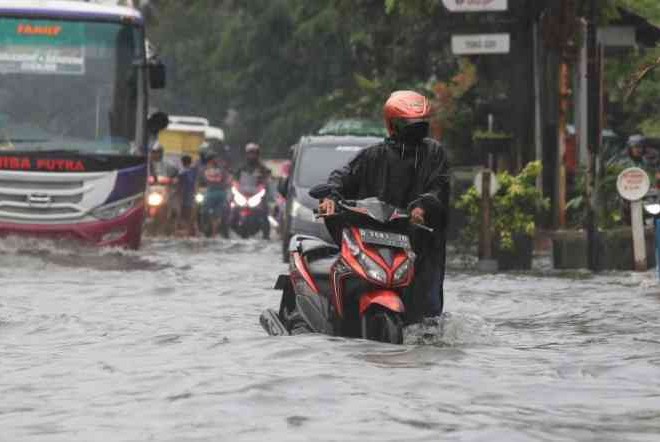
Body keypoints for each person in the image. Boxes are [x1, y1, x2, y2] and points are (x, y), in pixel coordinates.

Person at [319, 90, 450, 320]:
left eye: (421, 123)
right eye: (408, 123)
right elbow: (342, 177)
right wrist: (330, 197)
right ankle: (342, 318)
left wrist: (422, 208)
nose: (415, 129)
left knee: (426, 314)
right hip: (374, 240)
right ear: (393, 124)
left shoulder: (434, 153)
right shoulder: (372, 156)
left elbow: (439, 187)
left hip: (419, 244)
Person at [235, 142, 272, 239]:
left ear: (257, 154)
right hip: (243, 194)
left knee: (264, 213)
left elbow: (267, 177)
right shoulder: (242, 167)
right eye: (250, 153)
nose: (252, 155)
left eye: (254, 153)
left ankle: (266, 235)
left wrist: (264, 183)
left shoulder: (262, 168)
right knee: (231, 207)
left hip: (257, 195)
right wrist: (235, 186)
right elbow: (235, 179)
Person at [199, 155, 231, 237]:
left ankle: (214, 232)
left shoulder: (207, 170)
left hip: (217, 194)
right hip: (214, 193)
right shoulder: (205, 170)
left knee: (215, 214)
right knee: (210, 213)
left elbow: (228, 181)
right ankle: (212, 231)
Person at [175, 155, 198, 236]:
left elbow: (179, 186)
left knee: (182, 215)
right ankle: (190, 231)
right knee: (190, 214)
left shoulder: (182, 173)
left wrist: (177, 195)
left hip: (184, 196)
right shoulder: (193, 171)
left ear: (182, 162)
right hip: (191, 196)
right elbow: (195, 183)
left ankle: (185, 231)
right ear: (190, 162)